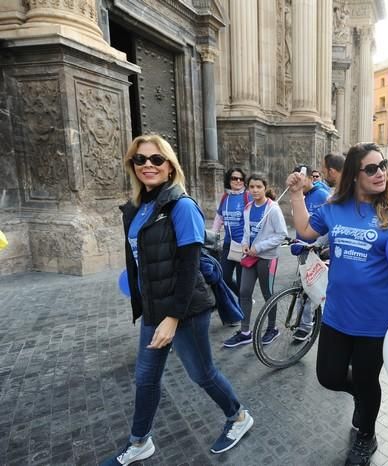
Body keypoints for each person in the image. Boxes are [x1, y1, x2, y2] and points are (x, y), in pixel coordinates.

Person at [101, 135, 252, 466]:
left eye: (156, 159)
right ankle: (139, 442)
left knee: (202, 374)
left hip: (186, 311)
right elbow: (139, 263)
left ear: (170, 166)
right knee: (146, 378)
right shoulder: (137, 208)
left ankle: (239, 417)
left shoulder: (181, 206)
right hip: (156, 310)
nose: (148, 165)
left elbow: (188, 268)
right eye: (140, 160)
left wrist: (172, 317)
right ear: (132, 166)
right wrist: (145, 307)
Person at [286, 142, 388, 466]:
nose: (381, 172)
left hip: (376, 320)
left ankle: (366, 434)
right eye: (372, 168)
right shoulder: (333, 207)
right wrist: (298, 195)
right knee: (328, 375)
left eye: (382, 165)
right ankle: (364, 396)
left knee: (369, 381)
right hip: (337, 314)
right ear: (355, 175)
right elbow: (305, 231)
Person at [223, 175, 286, 348]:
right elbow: (246, 231)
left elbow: (281, 235)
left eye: (259, 186)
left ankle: (272, 328)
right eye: (252, 187)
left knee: (268, 294)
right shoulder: (248, 207)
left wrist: (259, 247)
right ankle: (245, 332)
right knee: (244, 292)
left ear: (265, 188)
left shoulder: (273, 209)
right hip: (250, 257)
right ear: (248, 188)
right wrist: (244, 244)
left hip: (267, 258)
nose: (255, 190)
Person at [290, 165, 331, 341]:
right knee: (303, 288)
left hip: (319, 250)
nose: (299, 182)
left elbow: (332, 223)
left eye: (301, 178)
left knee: (312, 287)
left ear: (309, 178)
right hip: (303, 249)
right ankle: (306, 322)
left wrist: (320, 243)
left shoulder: (323, 195)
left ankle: (307, 325)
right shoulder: (301, 197)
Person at [212, 168, 248, 303]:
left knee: (241, 281)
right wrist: (212, 235)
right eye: (234, 178)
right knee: (223, 277)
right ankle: (241, 299)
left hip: (243, 245)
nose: (238, 181)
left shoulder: (247, 196)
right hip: (227, 244)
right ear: (229, 180)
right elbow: (219, 218)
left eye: (240, 178)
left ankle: (242, 309)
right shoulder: (225, 197)